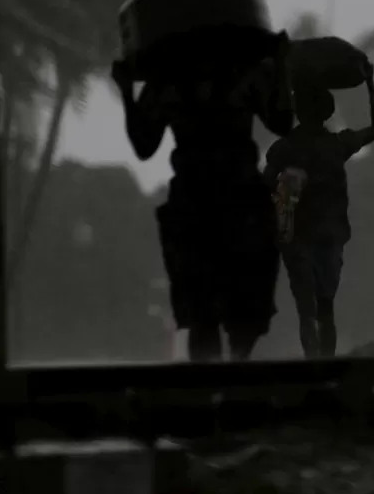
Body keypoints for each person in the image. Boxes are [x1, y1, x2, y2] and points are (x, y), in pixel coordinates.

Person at [112, 36, 295, 362]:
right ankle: (216, 379)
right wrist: (126, 91)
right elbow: (144, 145)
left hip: (233, 201)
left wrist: (280, 68)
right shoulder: (170, 82)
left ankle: (231, 371)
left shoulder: (241, 74)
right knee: (202, 311)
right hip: (202, 204)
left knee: (242, 308)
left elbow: (281, 122)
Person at [264, 62, 374, 358]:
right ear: (326, 112)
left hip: (301, 238)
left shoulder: (285, 148)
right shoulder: (337, 144)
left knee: (308, 310)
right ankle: (325, 366)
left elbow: (265, 188)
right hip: (325, 236)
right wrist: (370, 87)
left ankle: (316, 364)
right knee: (323, 308)